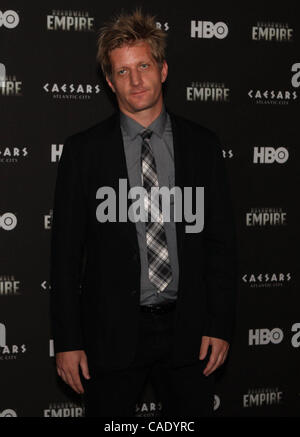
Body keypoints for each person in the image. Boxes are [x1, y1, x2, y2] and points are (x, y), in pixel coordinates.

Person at [50, 9, 237, 418]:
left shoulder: (202, 145)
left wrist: (220, 325)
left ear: (163, 69)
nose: (135, 80)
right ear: (109, 80)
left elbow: (221, 244)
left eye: (144, 66)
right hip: (111, 331)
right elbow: (64, 255)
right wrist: (67, 340)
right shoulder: (83, 152)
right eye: (122, 71)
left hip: (190, 331)